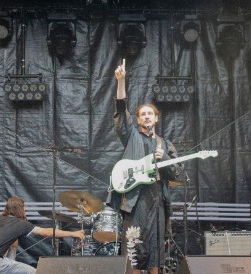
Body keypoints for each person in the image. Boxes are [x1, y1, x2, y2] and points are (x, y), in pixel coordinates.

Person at [106, 60, 182, 274]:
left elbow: (175, 173)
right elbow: (121, 109)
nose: (147, 116)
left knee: (156, 252)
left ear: (156, 118)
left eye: (150, 113)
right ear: (138, 119)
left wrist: (164, 156)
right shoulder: (131, 135)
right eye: (143, 114)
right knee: (134, 250)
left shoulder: (165, 144)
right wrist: (121, 81)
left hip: (157, 201)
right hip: (135, 201)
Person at [0, 196, 85, 274]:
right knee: (35, 272)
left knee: (13, 246)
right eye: (24, 209)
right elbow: (46, 232)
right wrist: (73, 233)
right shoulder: (20, 223)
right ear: (20, 210)